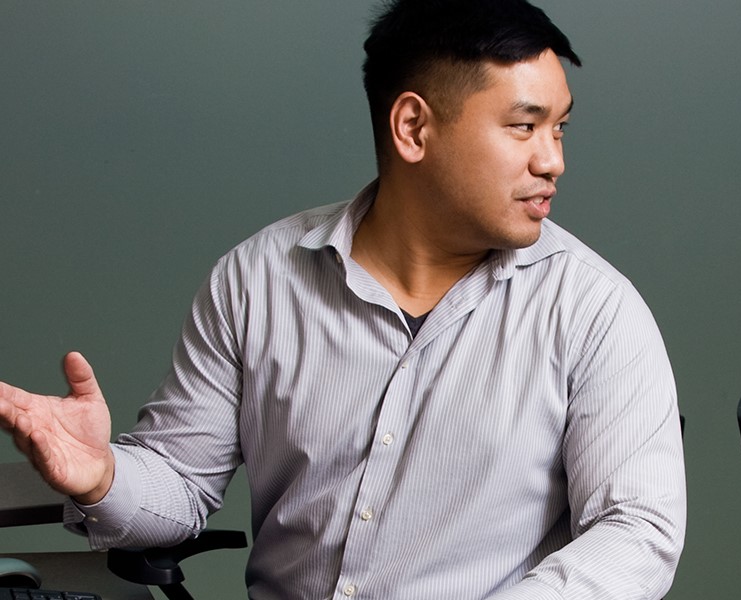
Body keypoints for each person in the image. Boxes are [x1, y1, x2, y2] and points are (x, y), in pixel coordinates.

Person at [0, 1, 685, 597]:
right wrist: (103, 477)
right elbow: (181, 486)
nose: (552, 160)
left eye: (558, 128)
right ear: (413, 128)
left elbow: (637, 530)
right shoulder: (258, 278)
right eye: (523, 126)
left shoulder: (595, 310)